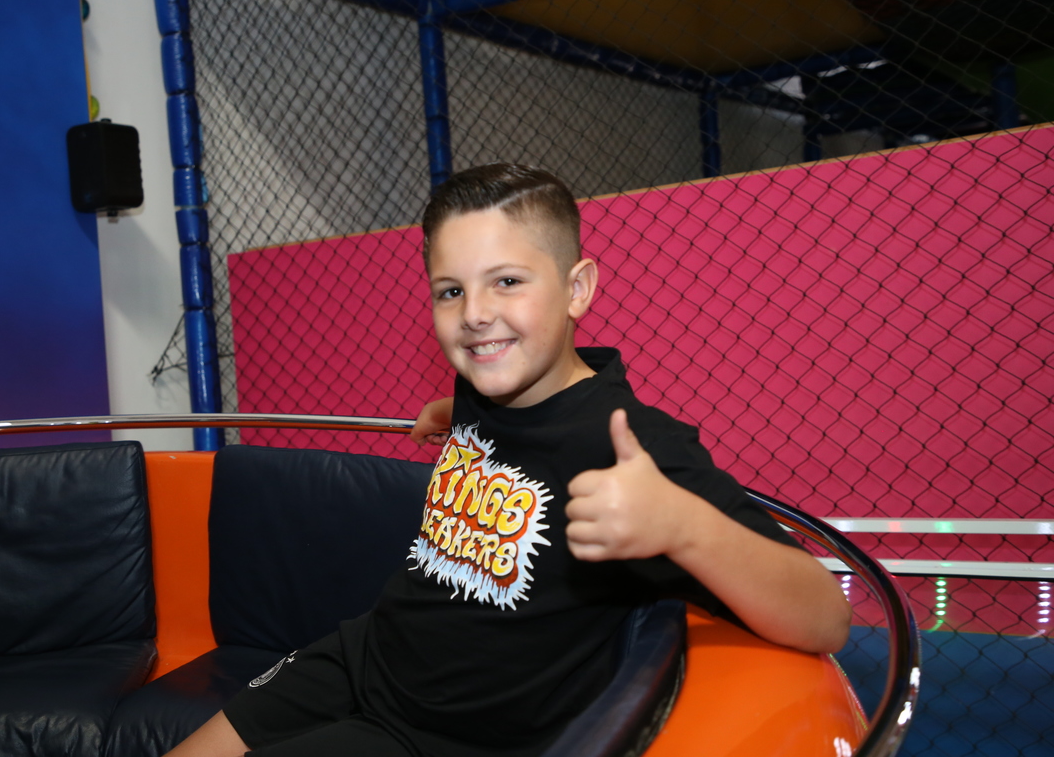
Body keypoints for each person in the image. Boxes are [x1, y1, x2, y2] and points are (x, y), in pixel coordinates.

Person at [167, 163, 851, 757]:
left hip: (438, 738)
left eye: (507, 281)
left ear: (578, 289)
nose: (474, 314)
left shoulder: (633, 446)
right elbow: (510, 412)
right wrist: (449, 410)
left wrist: (682, 526)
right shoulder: (485, 386)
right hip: (362, 655)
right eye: (451, 290)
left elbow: (827, 616)